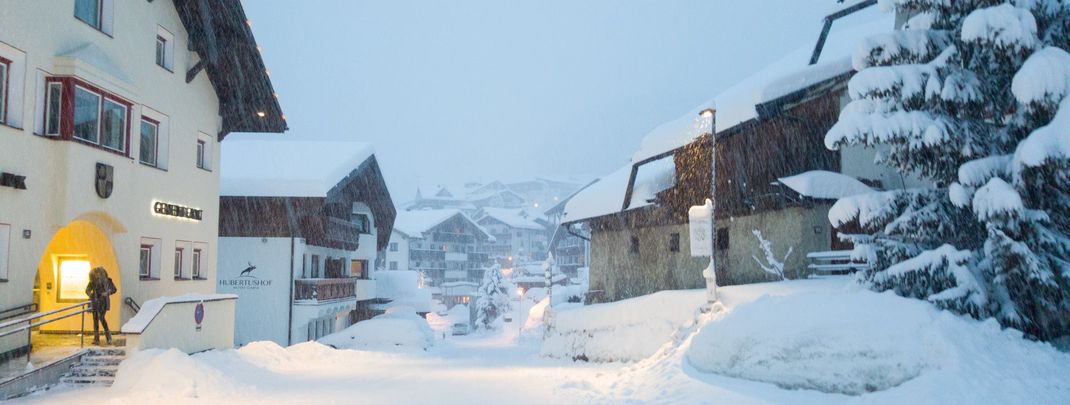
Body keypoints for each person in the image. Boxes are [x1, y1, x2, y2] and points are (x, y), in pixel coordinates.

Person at [85, 266, 116, 345]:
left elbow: (114, 289)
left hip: (103, 302)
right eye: (96, 274)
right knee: (95, 320)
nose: (97, 276)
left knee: (101, 318)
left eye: (98, 274)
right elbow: (87, 289)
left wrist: (107, 292)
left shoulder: (108, 281)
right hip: (95, 302)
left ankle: (108, 337)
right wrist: (90, 293)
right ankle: (96, 339)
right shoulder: (93, 281)